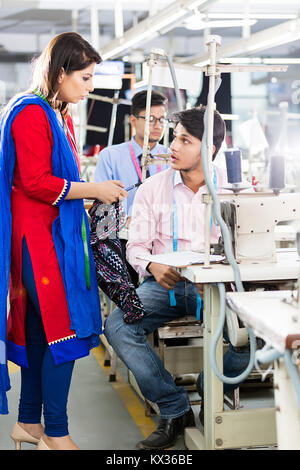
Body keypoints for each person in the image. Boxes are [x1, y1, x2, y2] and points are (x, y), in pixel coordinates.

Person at [0, 32, 128, 450]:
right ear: (60, 73)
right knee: (65, 333)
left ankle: (28, 424)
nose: (89, 87)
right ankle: (56, 431)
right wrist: (94, 191)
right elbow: (36, 183)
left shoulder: (59, 116)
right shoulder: (30, 115)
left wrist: (87, 201)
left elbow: (58, 183)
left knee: (40, 334)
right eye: (85, 78)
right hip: (37, 243)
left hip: (53, 236)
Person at [104, 106, 248, 450]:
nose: (172, 146)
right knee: (118, 326)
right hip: (164, 285)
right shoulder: (153, 189)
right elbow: (135, 246)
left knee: (250, 337)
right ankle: (174, 407)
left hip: (215, 285)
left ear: (209, 149)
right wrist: (152, 266)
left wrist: (220, 272)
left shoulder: (231, 190)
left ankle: (209, 384)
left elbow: (243, 245)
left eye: (184, 140)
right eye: (174, 137)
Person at [94, 90, 168, 286]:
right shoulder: (110, 157)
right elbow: (102, 208)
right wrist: (125, 216)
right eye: (151, 119)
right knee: (129, 290)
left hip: (163, 239)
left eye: (162, 119)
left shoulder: (171, 158)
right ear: (133, 120)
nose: (157, 125)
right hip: (124, 239)